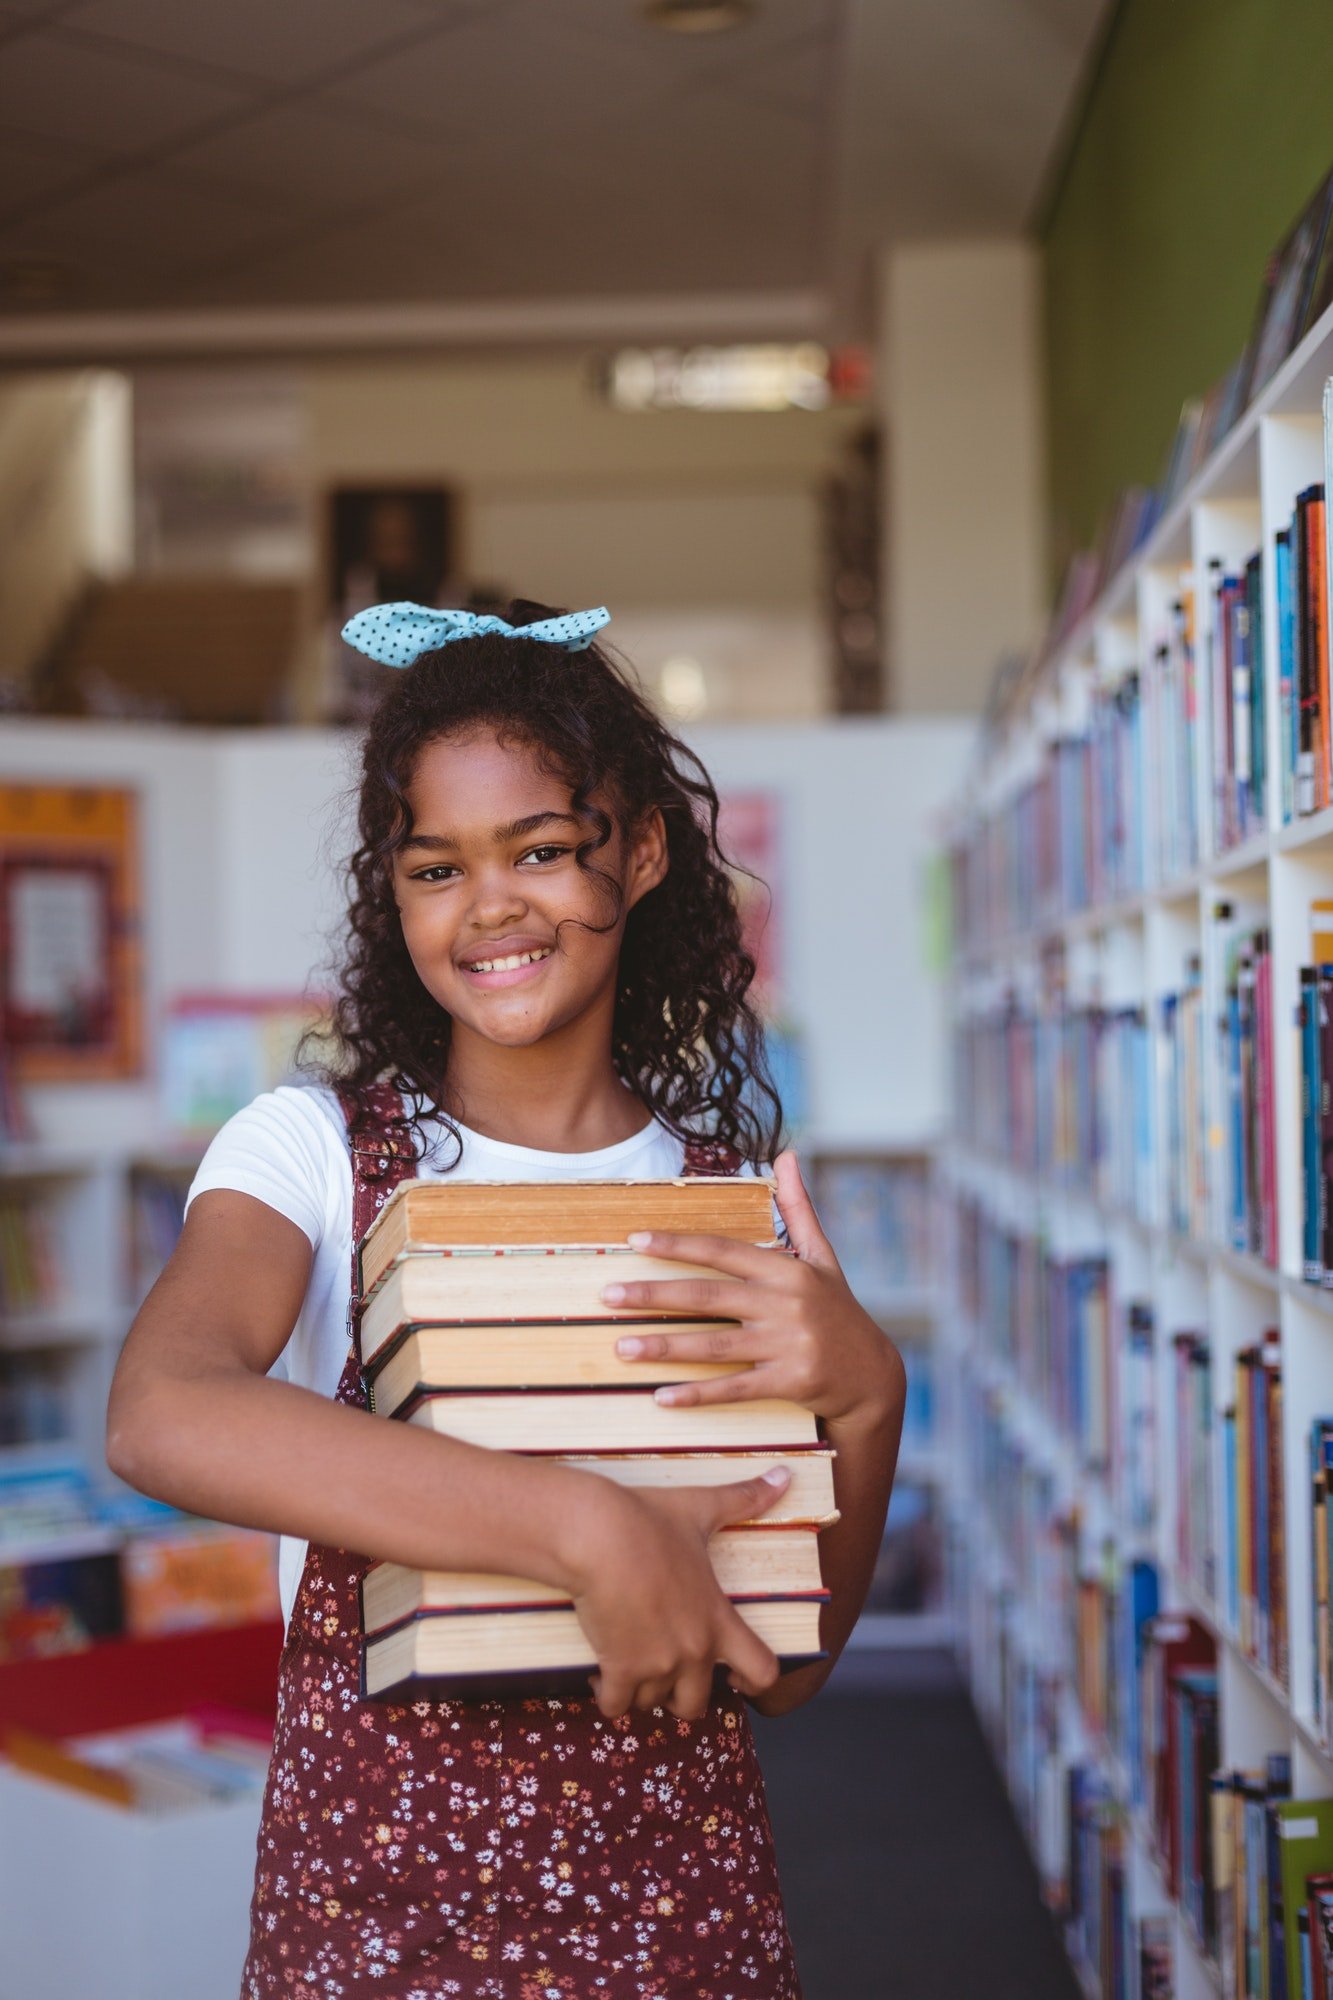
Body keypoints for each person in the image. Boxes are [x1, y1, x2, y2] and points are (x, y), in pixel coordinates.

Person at [106, 599, 907, 2000]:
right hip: (376, 1908)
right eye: (436, 868)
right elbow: (163, 1416)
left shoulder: (728, 1195)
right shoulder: (309, 1153)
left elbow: (782, 1671)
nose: (489, 906)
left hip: (677, 1904)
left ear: (641, 851)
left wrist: (866, 1391)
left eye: (541, 850)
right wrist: (580, 1525)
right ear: (393, 893)